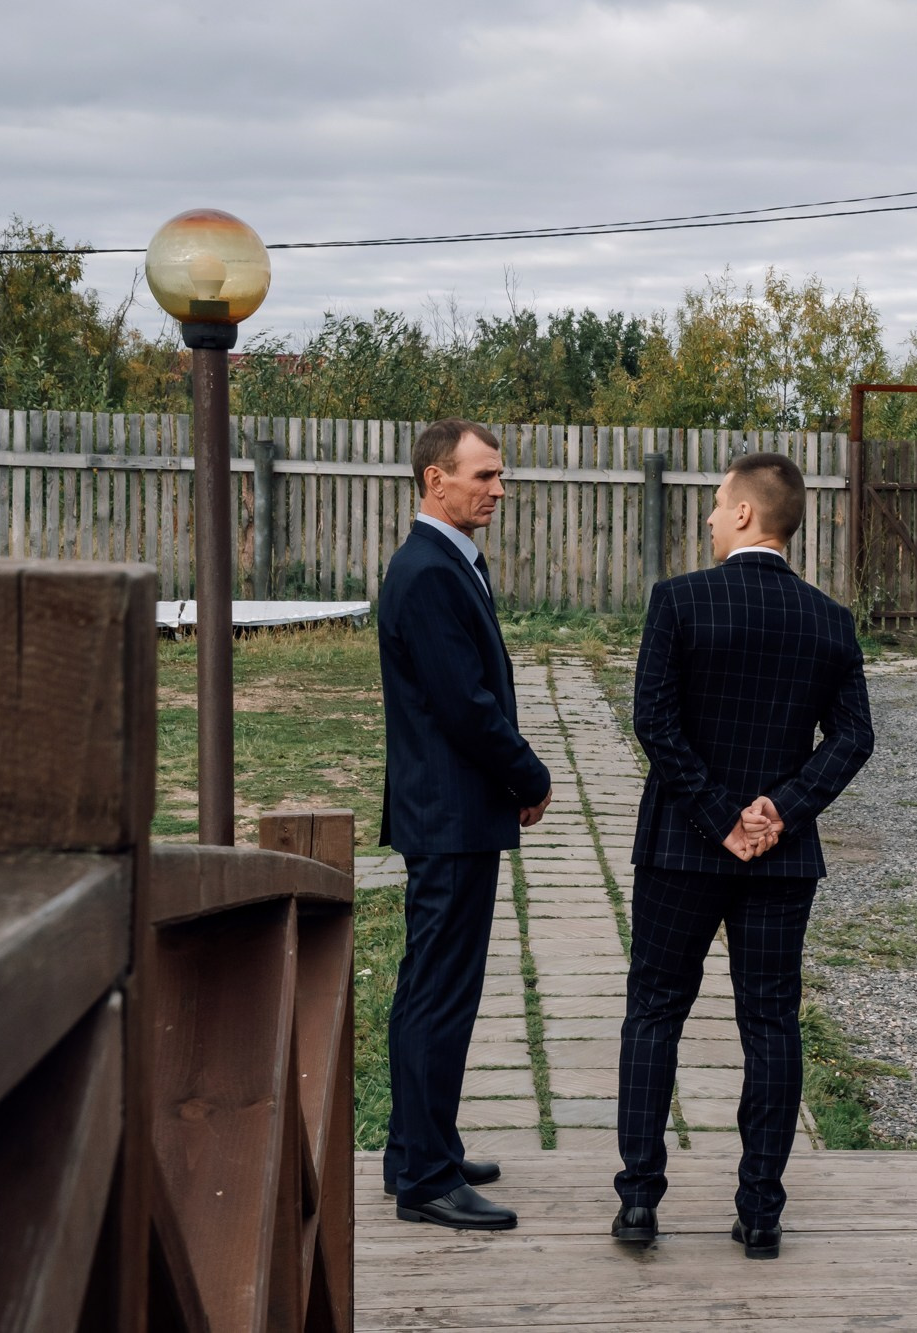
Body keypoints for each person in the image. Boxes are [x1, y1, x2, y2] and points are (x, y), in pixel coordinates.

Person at [612, 451, 875, 1261]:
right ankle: (761, 1209)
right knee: (771, 1021)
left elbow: (653, 721)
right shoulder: (829, 620)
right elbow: (855, 737)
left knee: (656, 1011)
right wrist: (778, 811)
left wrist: (717, 813)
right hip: (780, 859)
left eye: (718, 505)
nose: (709, 517)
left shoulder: (680, 601)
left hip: (680, 851)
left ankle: (638, 1204)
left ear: (748, 516)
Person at [379, 418, 553, 1231]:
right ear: (434, 479)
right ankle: (424, 1176)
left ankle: (421, 1142)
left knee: (436, 987)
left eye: (499, 474)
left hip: (454, 812)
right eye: (483, 475)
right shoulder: (426, 571)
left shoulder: (446, 561)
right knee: (438, 995)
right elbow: (465, 706)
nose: (498, 488)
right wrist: (528, 771)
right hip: (447, 816)